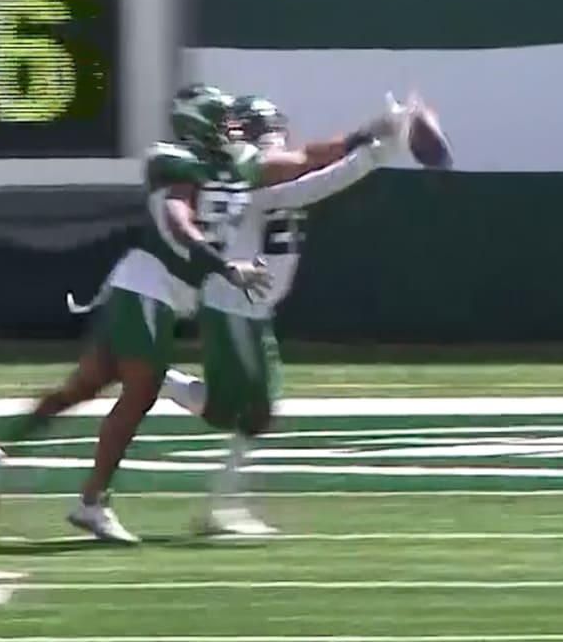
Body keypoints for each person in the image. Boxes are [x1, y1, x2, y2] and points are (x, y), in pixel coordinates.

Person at [0, 84, 406, 543]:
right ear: (198, 125)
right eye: (221, 120)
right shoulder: (176, 163)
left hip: (160, 292)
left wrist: (370, 131)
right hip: (149, 284)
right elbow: (180, 218)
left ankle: (2, 448)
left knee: (85, 386)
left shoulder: (239, 164)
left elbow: (306, 160)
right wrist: (223, 266)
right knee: (139, 392)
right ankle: (90, 503)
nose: (231, 128)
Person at [163, 93, 416, 536]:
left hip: (250, 309)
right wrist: (378, 150)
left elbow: (312, 174)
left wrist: (377, 144)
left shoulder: (260, 175)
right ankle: (220, 508)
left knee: (233, 411)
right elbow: (315, 183)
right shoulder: (247, 181)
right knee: (254, 411)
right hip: (234, 306)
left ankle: (151, 375)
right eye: (268, 133)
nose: (278, 142)